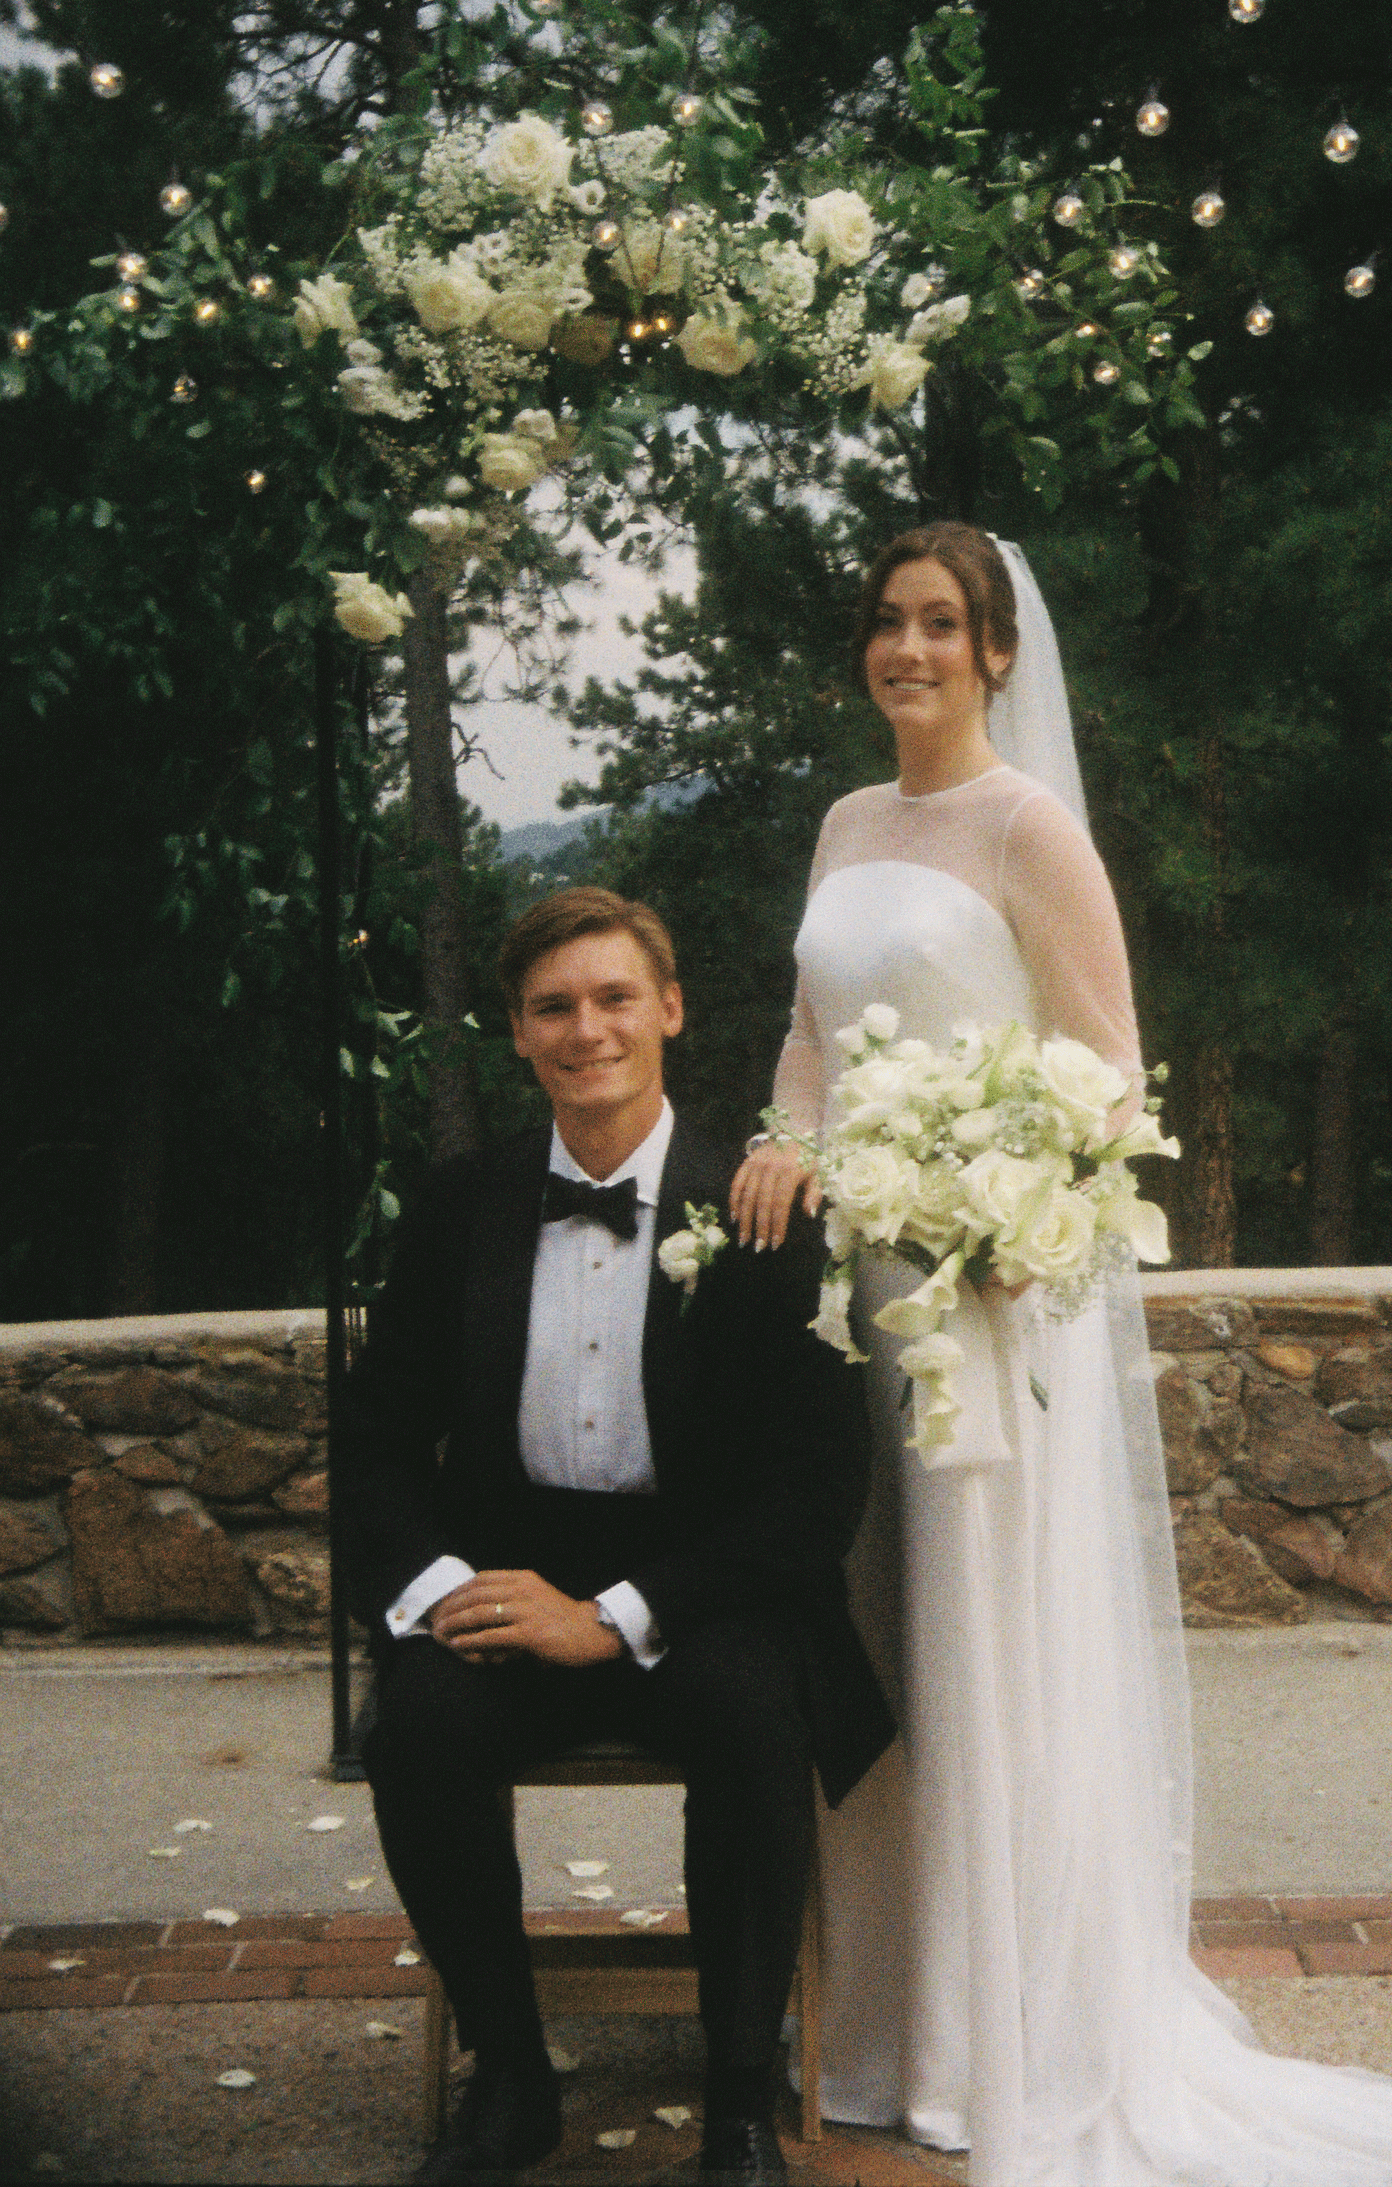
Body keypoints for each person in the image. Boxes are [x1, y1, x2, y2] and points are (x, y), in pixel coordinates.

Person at [730, 521, 1392, 2187]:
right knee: (868, 1646)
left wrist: (982, 1191)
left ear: (997, 653)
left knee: (973, 1660)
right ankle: (880, 2016)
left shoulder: (1027, 826)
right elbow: (812, 1034)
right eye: (888, 622)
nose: (910, 650)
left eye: (942, 624)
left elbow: (1108, 1072)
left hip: (974, 1295)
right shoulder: (842, 821)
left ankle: (1004, 2033)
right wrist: (782, 1142)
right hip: (845, 1312)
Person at [336, 885, 893, 2185]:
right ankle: (513, 2085)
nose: (587, 1028)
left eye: (614, 997)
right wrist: (440, 1591)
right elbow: (372, 1441)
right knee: (416, 1729)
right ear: (519, 1036)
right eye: (554, 1008)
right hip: (506, 1581)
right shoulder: (459, 1205)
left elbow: (815, 1488)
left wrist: (616, 1614)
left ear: (672, 1010)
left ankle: (740, 2102)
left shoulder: (761, 1206)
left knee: (759, 1724)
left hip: (699, 1591)